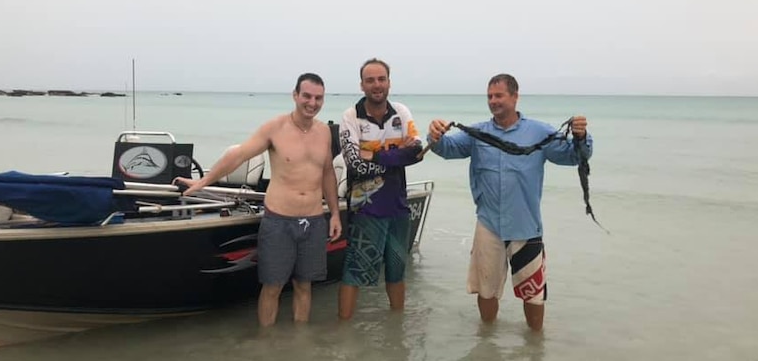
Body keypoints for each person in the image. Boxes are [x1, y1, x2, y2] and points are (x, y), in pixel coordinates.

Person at [426, 73, 592, 331]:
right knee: (486, 290)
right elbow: (447, 148)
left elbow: (573, 156)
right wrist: (435, 135)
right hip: (488, 225)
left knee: (534, 294)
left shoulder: (538, 131)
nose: (493, 101)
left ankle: (535, 346)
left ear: (515, 97)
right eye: (490, 96)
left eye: (499, 95)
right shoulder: (477, 133)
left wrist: (581, 137)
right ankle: (487, 342)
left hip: (526, 227)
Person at [174, 73, 342, 327]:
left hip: (313, 221)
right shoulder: (275, 128)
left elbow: (328, 172)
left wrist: (336, 213)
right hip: (279, 221)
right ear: (295, 95)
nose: (312, 103)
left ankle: (300, 344)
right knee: (272, 287)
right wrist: (202, 182)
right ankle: (266, 345)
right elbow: (239, 155)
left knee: (304, 286)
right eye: (307, 96)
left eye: (318, 98)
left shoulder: (325, 133)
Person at [337, 58, 423, 320]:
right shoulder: (350, 116)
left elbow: (417, 151)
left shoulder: (401, 112)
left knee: (397, 272)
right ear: (361, 85)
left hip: (398, 206)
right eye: (370, 80)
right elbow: (354, 163)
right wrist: (398, 153)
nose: (377, 85)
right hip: (366, 208)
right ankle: (344, 335)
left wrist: (373, 155)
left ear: (389, 82)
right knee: (354, 273)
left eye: (381, 79)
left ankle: (396, 333)